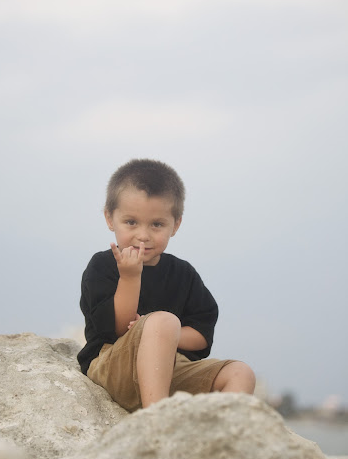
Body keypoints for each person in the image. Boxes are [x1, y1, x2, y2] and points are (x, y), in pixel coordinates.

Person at [77, 159, 255, 412]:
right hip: (113, 367)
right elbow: (115, 328)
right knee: (163, 321)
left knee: (240, 372)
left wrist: (165, 335)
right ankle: (156, 421)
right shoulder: (103, 266)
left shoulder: (183, 273)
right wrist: (130, 278)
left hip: (168, 372)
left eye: (157, 224)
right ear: (109, 218)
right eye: (131, 222)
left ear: (176, 225)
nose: (143, 235)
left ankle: (217, 440)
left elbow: (201, 336)